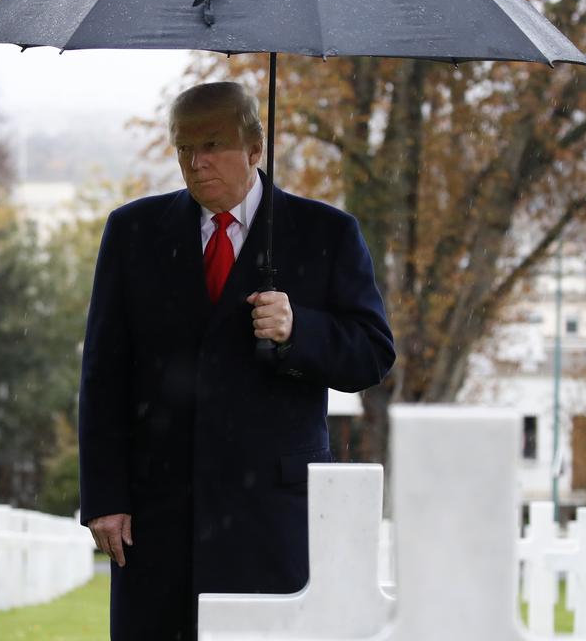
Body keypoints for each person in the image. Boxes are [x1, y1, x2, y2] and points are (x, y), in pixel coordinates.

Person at [77, 81, 395, 641]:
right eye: (183, 148)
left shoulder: (327, 233)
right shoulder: (132, 233)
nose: (195, 163)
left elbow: (372, 354)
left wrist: (300, 330)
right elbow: (103, 377)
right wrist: (105, 497)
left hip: (270, 516)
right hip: (157, 516)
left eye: (212, 144)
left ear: (254, 148)